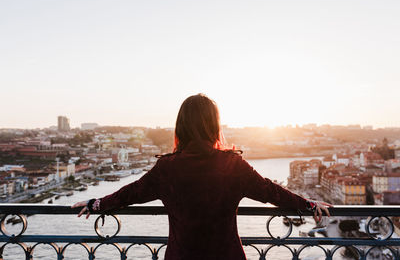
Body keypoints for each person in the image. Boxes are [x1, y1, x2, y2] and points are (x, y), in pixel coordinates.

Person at [72, 93, 332, 260]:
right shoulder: (232, 164)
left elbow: (130, 194)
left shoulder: (168, 168)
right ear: (214, 125)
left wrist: (96, 204)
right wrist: (308, 205)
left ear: (181, 126)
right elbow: (270, 192)